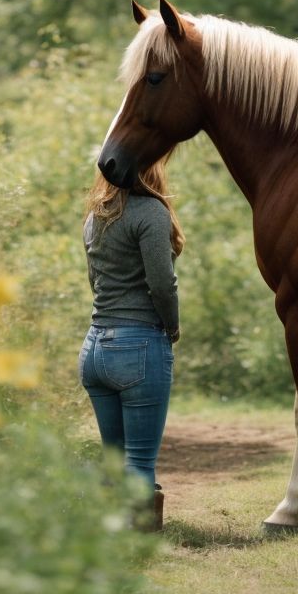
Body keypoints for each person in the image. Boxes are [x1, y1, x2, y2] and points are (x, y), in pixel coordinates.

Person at [81, 160, 184, 532]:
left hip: (94, 345)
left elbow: (95, 281)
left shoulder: (95, 217)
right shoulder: (150, 212)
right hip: (138, 345)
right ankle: (139, 541)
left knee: (115, 459)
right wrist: (172, 326)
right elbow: (162, 284)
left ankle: (109, 533)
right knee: (139, 460)